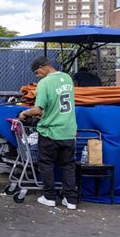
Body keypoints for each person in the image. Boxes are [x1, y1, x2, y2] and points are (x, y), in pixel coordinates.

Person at [19, 56, 78, 210]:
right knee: (68, 165)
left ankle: (49, 197)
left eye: (37, 72)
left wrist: (25, 113)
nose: (37, 76)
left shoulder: (44, 83)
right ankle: (71, 199)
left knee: (47, 164)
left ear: (43, 67)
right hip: (68, 130)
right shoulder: (67, 78)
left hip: (50, 131)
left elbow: (39, 109)